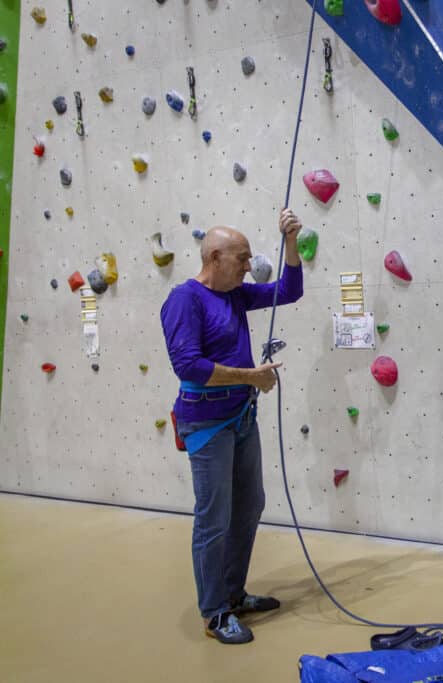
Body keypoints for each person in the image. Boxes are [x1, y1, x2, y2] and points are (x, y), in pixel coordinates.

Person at [160, 208, 304, 644]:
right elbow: (189, 365)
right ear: (215, 256)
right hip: (207, 423)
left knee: (250, 505)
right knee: (214, 517)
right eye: (241, 259)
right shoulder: (185, 299)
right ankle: (214, 611)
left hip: (240, 418)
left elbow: (288, 291)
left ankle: (233, 593)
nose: (248, 266)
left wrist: (291, 241)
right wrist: (251, 376)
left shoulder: (237, 295)